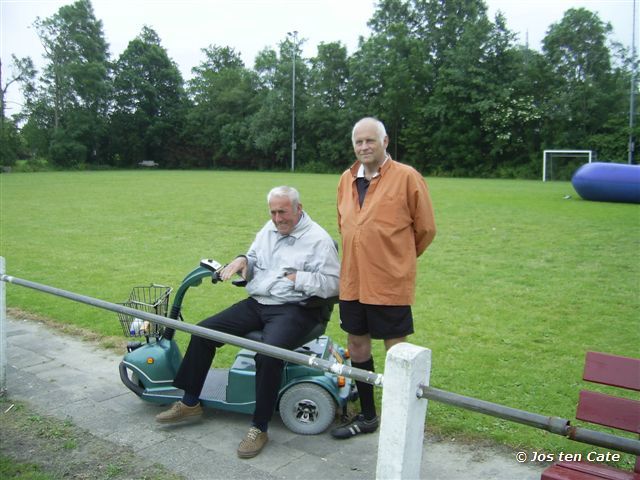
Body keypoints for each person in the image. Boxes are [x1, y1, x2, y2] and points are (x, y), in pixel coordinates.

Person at [156, 186, 340, 458]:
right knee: (204, 331)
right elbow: (254, 257)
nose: (278, 219)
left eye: (283, 212)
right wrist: (243, 260)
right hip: (259, 302)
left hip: (295, 308)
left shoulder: (318, 240)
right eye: (273, 212)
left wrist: (296, 278)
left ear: (299, 209)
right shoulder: (269, 229)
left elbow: (335, 285)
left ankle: (259, 427)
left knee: (268, 354)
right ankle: (190, 401)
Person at [331, 117, 436, 439]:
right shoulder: (346, 180)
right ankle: (368, 415)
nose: (364, 147)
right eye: (358, 142)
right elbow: (343, 223)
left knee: (397, 354)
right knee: (357, 345)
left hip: (389, 283)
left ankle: (399, 422)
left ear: (385, 142)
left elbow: (426, 229)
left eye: (370, 141)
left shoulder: (407, 177)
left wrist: (397, 258)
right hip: (352, 281)